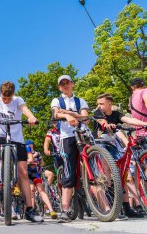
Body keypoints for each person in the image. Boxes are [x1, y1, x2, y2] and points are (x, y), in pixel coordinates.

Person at [0, 81, 43, 222]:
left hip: (18, 140)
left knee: (23, 173)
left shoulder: (18, 100)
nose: (6, 100)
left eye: (9, 98)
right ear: (0, 94)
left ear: (13, 95)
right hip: (2, 136)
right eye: (4, 98)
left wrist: (31, 117)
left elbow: (25, 109)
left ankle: (29, 209)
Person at [94, 93, 147, 218]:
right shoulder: (98, 112)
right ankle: (111, 206)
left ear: (109, 104)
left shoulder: (116, 114)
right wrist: (106, 125)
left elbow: (129, 120)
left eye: (101, 103)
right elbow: (101, 121)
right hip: (100, 143)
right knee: (106, 170)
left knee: (123, 173)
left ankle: (127, 208)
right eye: (98, 103)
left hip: (113, 143)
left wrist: (144, 123)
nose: (99, 106)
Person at [51, 75, 89, 223]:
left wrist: (69, 113)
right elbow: (56, 114)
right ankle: (65, 210)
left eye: (67, 83)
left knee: (94, 165)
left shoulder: (81, 100)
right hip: (67, 137)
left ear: (72, 84)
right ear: (59, 87)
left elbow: (85, 118)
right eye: (62, 84)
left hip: (83, 134)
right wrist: (67, 117)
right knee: (69, 171)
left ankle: (106, 207)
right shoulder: (57, 100)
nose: (65, 86)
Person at [26, 140, 57, 219]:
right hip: (27, 174)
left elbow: (42, 163)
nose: (29, 145)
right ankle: (32, 211)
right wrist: (29, 161)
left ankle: (51, 210)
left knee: (41, 190)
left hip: (36, 172)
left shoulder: (38, 153)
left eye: (30, 144)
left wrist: (39, 163)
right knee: (32, 190)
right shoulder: (24, 154)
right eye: (28, 145)